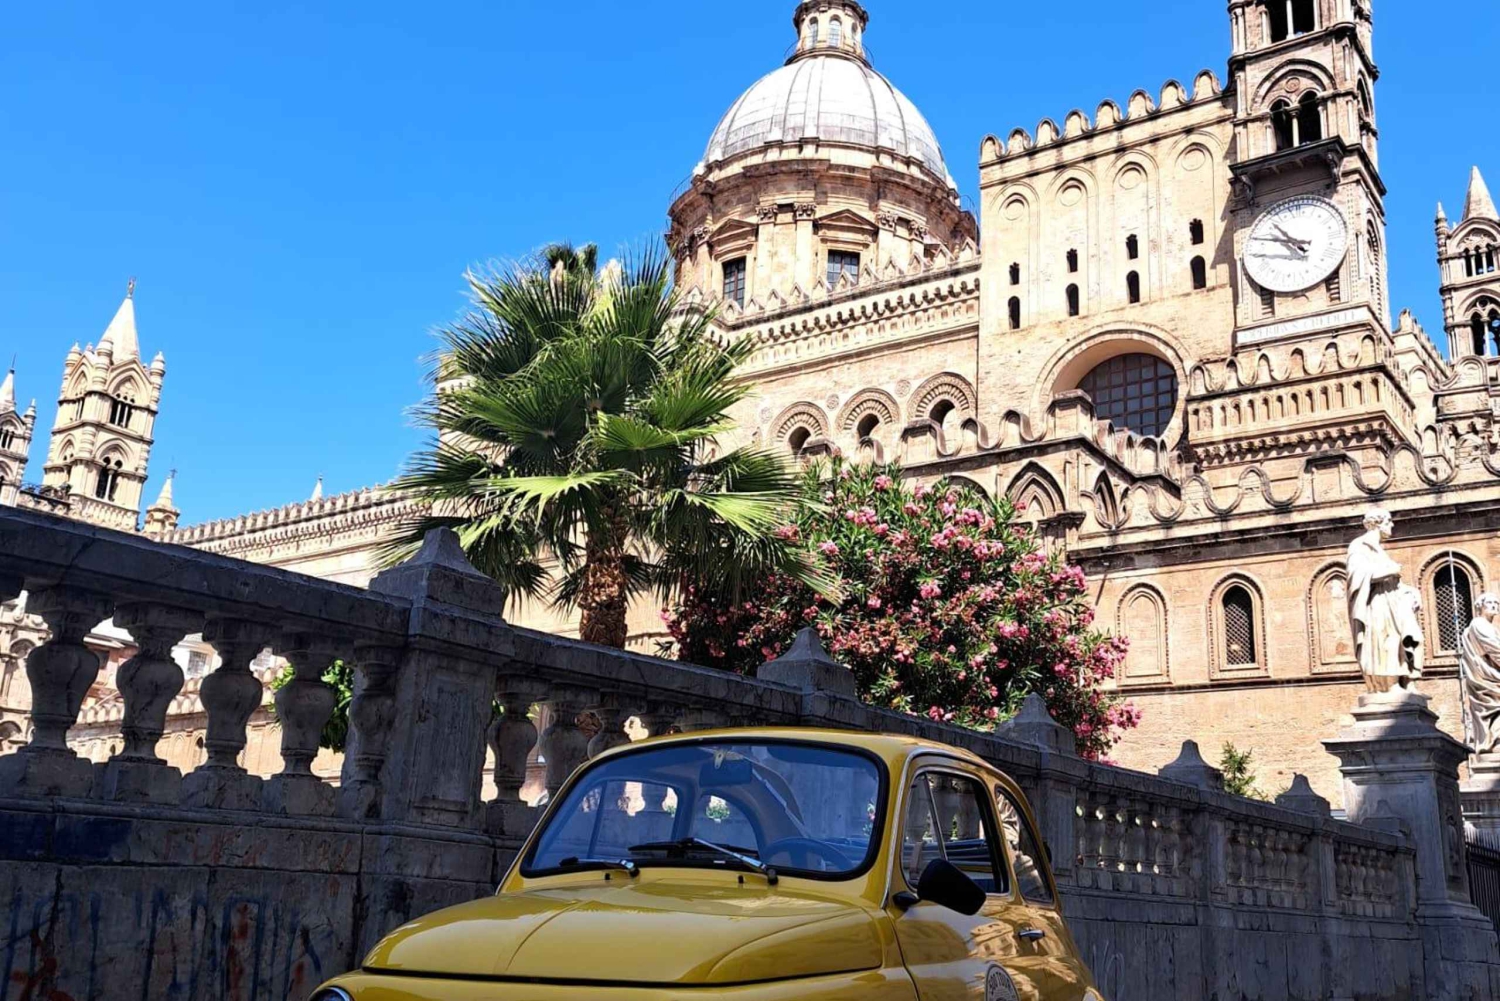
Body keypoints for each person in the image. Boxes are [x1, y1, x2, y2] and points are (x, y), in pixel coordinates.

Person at [1345, 509, 1424, 693]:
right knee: (1385, 641)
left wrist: (1410, 591)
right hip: (1377, 604)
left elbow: (1393, 582)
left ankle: (1405, 680)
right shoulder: (1359, 545)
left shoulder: (1380, 551)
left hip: (1392, 602)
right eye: (1388, 521)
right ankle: (1390, 684)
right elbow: (1356, 575)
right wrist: (1390, 571)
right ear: (1376, 524)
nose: (1392, 525)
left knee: (1406, 639)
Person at [1461, 593, 1500, 755]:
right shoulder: (1479, 623)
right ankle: (1495, 741)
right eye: (1489, 602)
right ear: (1480, 606)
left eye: (1496, 603)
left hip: (1491, 674)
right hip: (1486, 677)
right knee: (1494, 706)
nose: (1494, 605)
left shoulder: (1490, 626)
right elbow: (1493, 649)